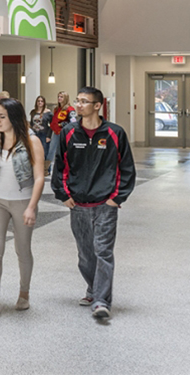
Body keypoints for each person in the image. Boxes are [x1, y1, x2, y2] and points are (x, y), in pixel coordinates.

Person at [51, 87, 136, 322]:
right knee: (86, 256)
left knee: (104, 252)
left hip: (105, 205)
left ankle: (101, 300)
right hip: (77, 205)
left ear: (97, 106)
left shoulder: (115, 133)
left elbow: (126, 168)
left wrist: (116, 198)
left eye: (84, 102)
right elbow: (59, 167)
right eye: (77, 101)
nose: (78, 105)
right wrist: (62, 194)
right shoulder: (68, 133)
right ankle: (93, 289)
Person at [0, 97, 45, 319]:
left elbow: (40, 177)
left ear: (14, 117)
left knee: (22, 249)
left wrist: (32, 207)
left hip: (23, 202)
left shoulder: (32, 142)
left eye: (2, 116)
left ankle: (24, 293)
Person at [46, 91, 74, 174]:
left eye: (61, 97)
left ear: (65, 98)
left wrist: (63, 124)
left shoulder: (70, 109)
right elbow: (53, 122)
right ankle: (47, 169)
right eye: (58, 96)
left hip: (64, 134)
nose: (59, 98)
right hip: (55, 133)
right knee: (51, 151)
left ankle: (66, 169)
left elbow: (73, 122)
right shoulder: (56, 109)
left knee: (63, 152)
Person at [29, 95, 52, 171]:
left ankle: (46, 169)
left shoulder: (48, 113)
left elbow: (52, 125)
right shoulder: (33, 112)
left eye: (41, 101)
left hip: (44, 134)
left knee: (45, 151)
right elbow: (31, 124)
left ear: (44, 102)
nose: (40, 103)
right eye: (38, 101)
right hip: (35, 134)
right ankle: (36, 168)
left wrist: (49, 136)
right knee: (34, 151)